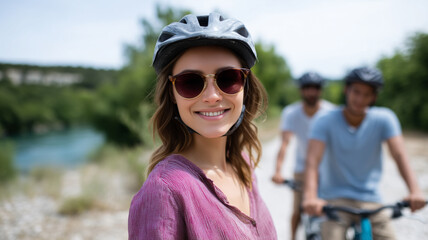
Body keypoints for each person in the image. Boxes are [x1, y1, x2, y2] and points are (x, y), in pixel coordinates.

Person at [128, 13, 277, 239]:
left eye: (228, 78)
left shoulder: (243, 164)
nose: (212, 96)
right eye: (190, 82)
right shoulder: (165, 190)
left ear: (246, 87)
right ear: (172, 95)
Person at [303, 67, 426, 239]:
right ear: (346, 90)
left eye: (367, 94)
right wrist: (310, 196)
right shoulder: (324, 120)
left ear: (374, 97)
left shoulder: (385, 118)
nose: (360, 99)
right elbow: (312, 161)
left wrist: (415, 191)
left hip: (371, 199)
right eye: (356, 92)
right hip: (335, 199)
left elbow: (399, 155)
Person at [271, 72, 335, 240]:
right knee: (297, 211)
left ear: (320, 91)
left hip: (328, 171)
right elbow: (284, 144)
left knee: (335, 212)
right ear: (301, 90)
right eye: (307, 88)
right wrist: (278, 171)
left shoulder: (331, 112)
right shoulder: (291, 113)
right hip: (303, 170)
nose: (311, 92)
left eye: (315, 88)